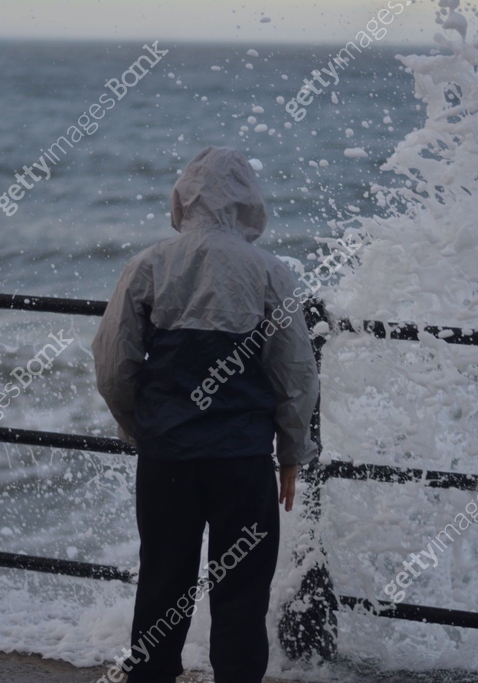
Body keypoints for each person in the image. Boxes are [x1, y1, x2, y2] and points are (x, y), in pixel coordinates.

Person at [93, 146, 320, 683]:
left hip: (166, 458)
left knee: (161, 587)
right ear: (250, 204)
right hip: (241, 462)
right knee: (241, 597)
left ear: (183, 198)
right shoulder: (270, 272)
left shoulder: (148, 265)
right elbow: (296, 373)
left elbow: (111, 366)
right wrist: (291, 452)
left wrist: (141, 429)